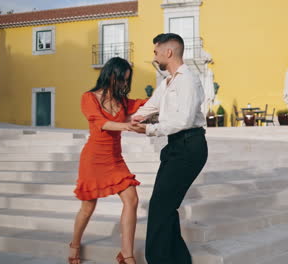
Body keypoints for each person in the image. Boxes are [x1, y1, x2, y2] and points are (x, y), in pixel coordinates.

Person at [131, 33, 208, 264]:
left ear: (169, 52)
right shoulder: (167, 82)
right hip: (177, 146)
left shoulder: (188, 80)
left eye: (156, 52)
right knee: (164, 207)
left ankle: (158, 259)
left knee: (160, 208)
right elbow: (150, 107)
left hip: (189, 145)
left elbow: (183, 120)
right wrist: (129, 120)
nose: (153, 57)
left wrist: (148, 130)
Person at [68, 57, 147, 264]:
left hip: (115, 159)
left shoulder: (122, 101)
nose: (123, 84)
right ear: (111, 75)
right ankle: (74, 244)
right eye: (121, 79)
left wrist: (167, 89)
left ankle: (126, 255)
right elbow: (100, 122)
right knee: (88, 207)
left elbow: (144, 104)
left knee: (132, 199)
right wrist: (127, 126)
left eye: (126, 81)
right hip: (93, 158)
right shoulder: (89, 98)